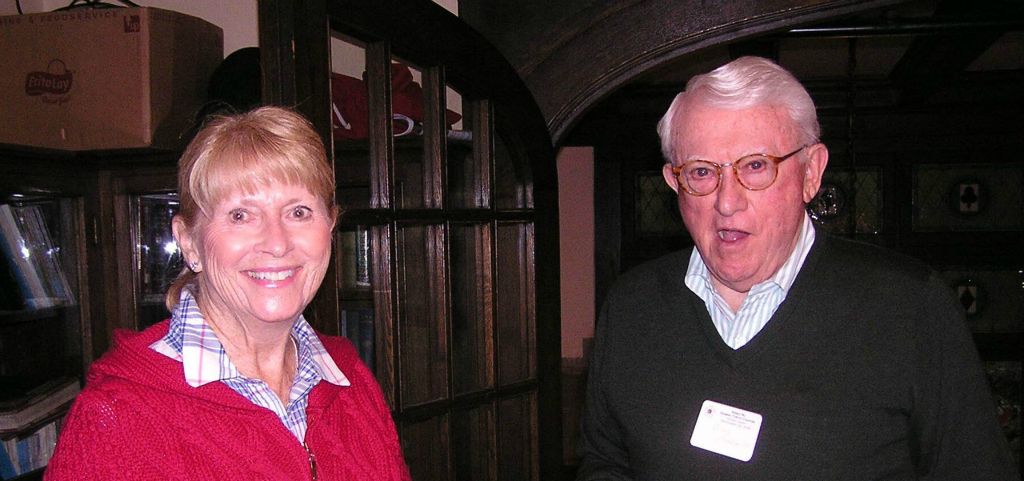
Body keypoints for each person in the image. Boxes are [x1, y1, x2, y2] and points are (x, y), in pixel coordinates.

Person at [577, 56, 1018, 480]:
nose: (726, 202)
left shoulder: (910, 306)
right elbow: (605, 463)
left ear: (811, 172)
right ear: (674, 181)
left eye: (755, 167)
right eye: (702, 172)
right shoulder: (632, 305)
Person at [46, 106, 411, 480]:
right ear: (189, 242)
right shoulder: (115, 421)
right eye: (241, 215)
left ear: (330, 226)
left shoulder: (351, 382)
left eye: (298, 212)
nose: (277, 243)